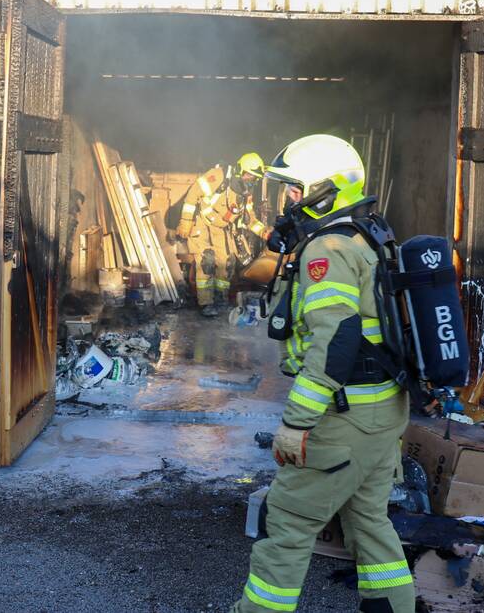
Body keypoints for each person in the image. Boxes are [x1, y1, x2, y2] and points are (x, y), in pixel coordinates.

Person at [233, 135, 414, 613]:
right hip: (382, 411)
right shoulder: (367, 235)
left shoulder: (328, 250)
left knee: (286, 526)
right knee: (370, 524)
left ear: (324, 193)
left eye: (295, 190)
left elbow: (335, 342)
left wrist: (296, 423)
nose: (288, 201)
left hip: (346, 419)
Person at [176, 152, 270, 317]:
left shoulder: (245, 193)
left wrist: (264, 231)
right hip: (202, 223)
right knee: (207, 261)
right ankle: (206, 303)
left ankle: (221, 299)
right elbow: (193, 193)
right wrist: (186, 220)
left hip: (221, 227)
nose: (250, 180)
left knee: (226, 262)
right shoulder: (219, 176)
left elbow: (249, 218)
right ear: (240, 170)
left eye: (254, 178)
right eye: (249, 175)